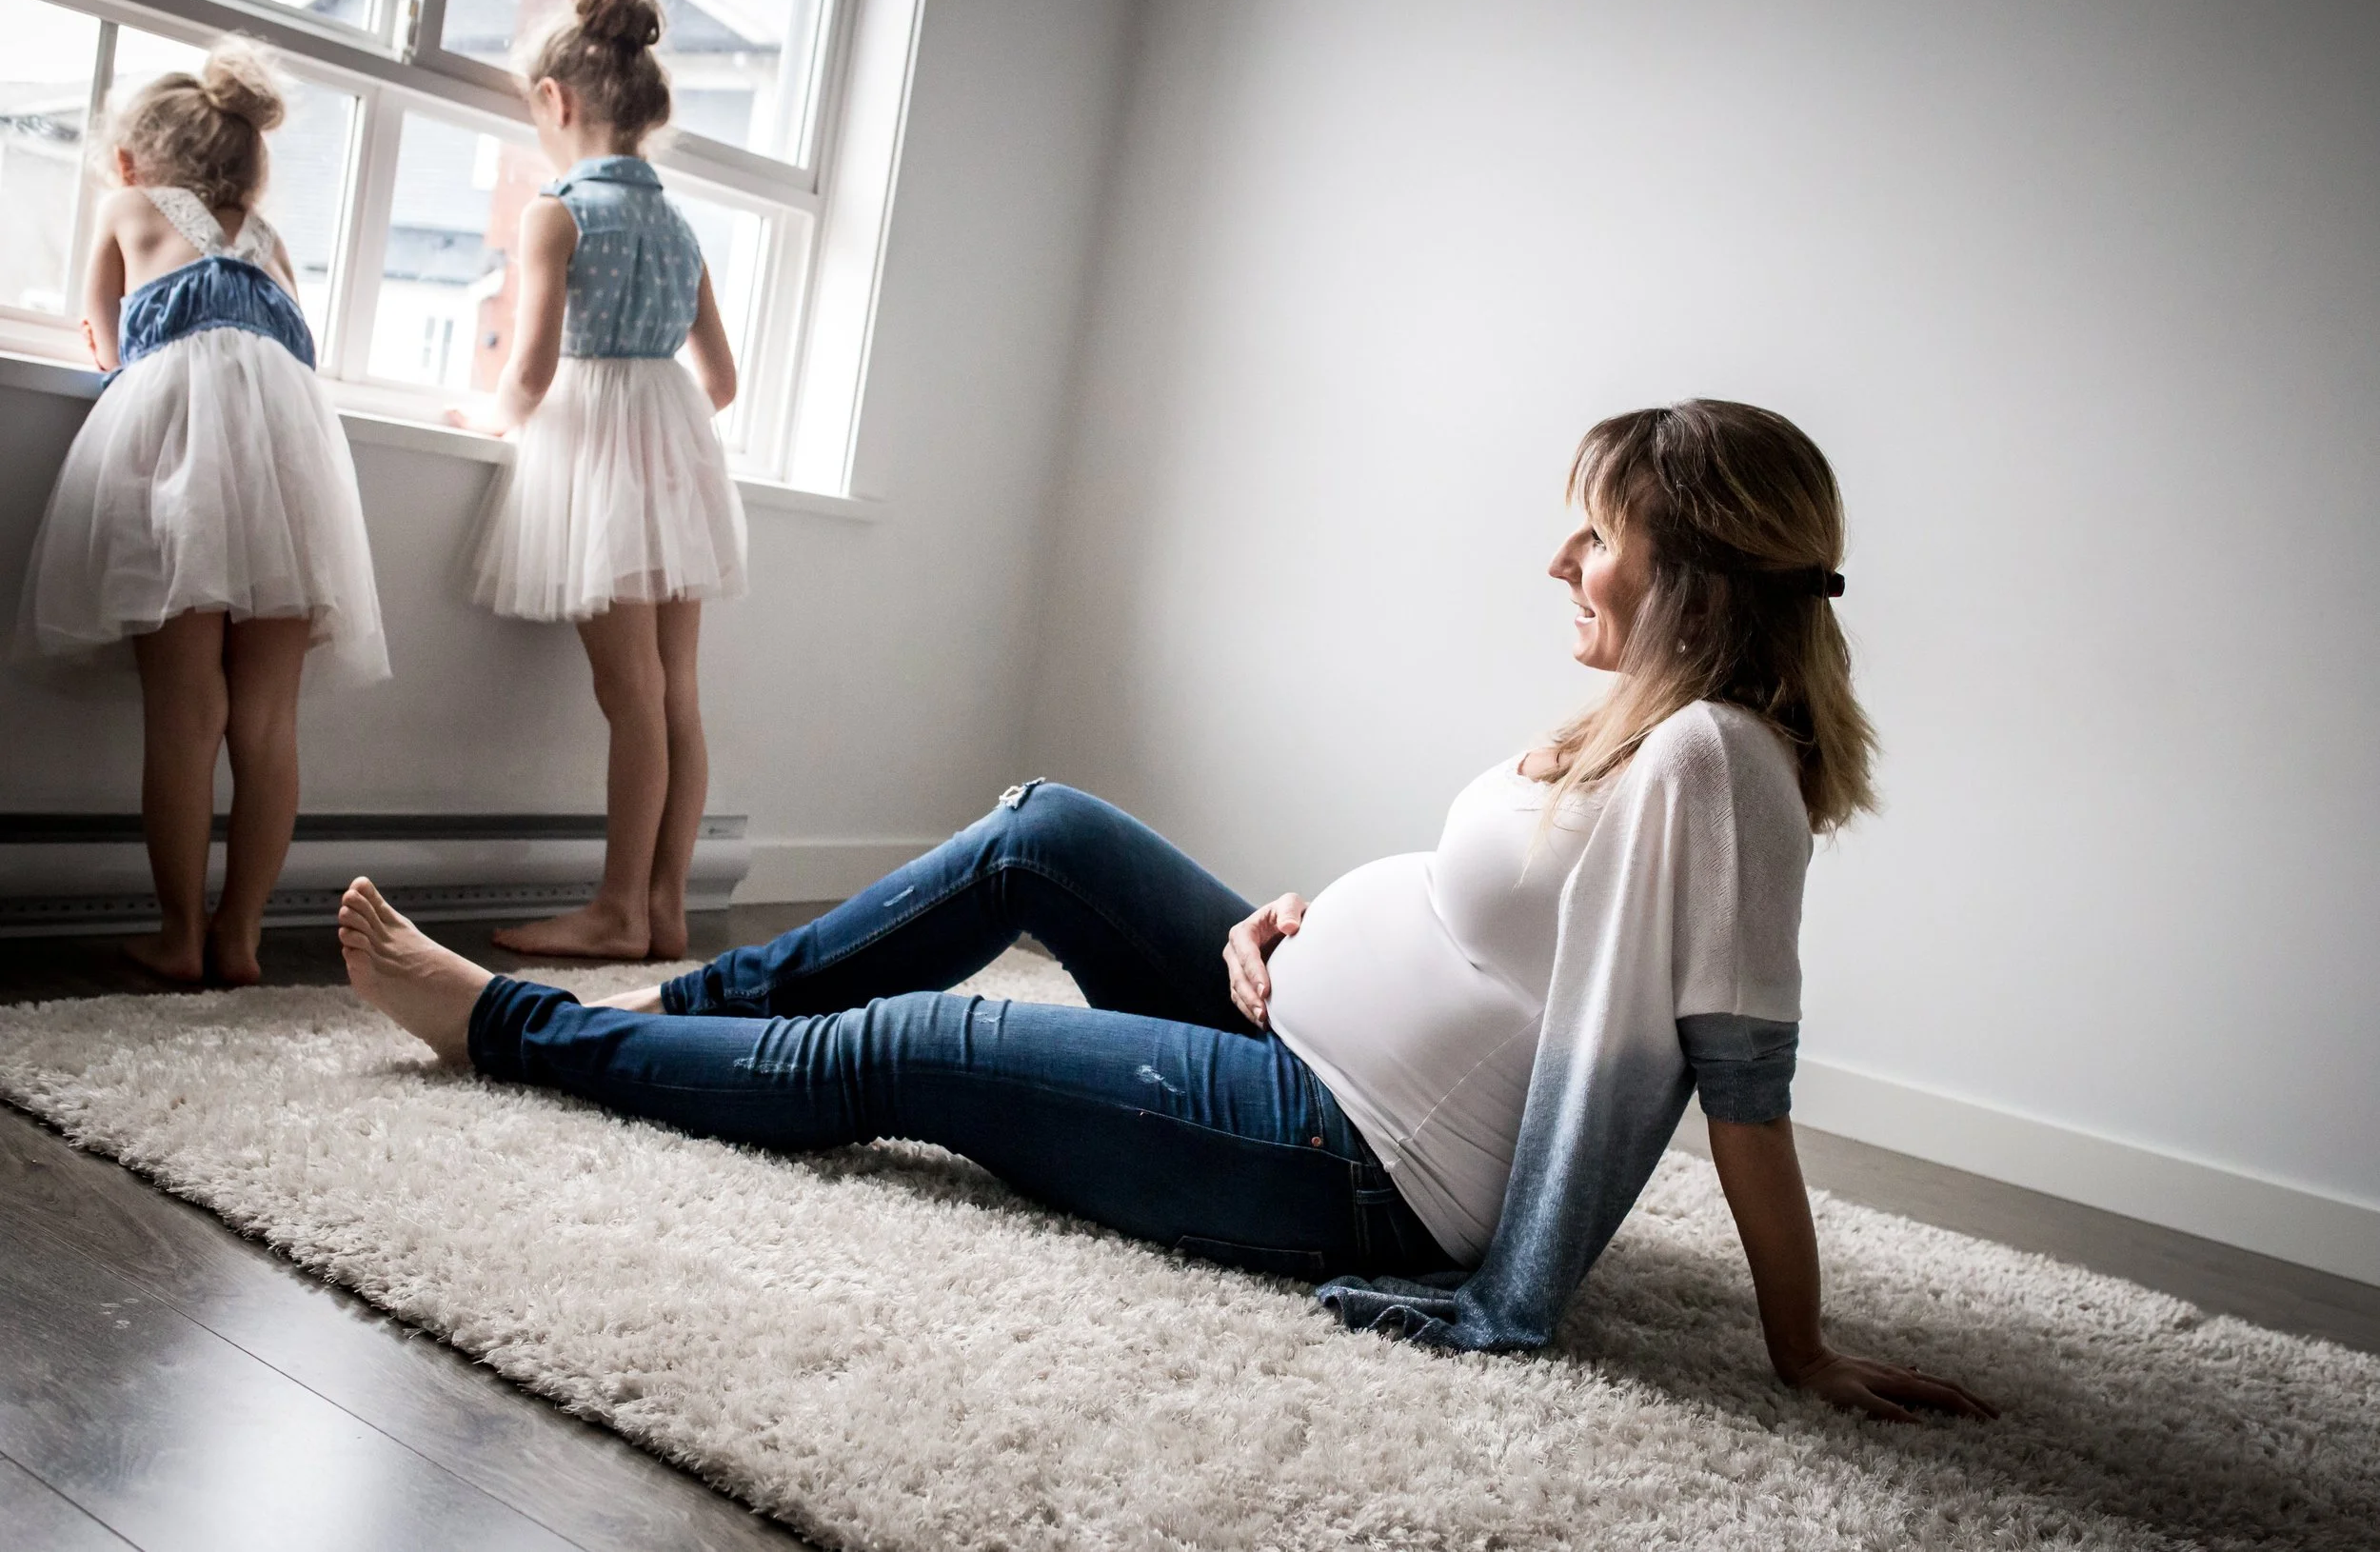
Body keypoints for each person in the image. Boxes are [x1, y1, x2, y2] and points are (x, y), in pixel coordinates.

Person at [342, 400, 1995, 1421]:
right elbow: (1502, 931)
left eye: (1603, 532)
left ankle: (519, 1028)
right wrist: (1300, 929)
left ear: (1692, 567)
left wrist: (1803, 1341)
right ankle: (683, 1020)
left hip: (1357, 1160)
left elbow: (1742, 1078)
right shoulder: (1645, 721)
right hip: (1292, 1025)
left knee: (921, 1049)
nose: (1565, 557)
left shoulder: (1718, 757)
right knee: (1040, 831)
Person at [14, 38, 388, 985]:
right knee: (266, 721)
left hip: (183, 457)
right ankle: (242, 936)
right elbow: (288, 351)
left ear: (133, 161)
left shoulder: (125, 205)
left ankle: (180, 934)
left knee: (185, 713)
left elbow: (104, 338)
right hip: (289, 466)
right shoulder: (269, 243)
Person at [450, 0, 746, 962]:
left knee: (630, 698)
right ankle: (666, 906)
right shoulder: (679, 226)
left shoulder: (557, 212)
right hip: (675, 447)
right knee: (676, 695)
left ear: (554, 100)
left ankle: (618, 907)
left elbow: (530, 369)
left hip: (598, 452)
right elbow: (723, 379)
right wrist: (661, 432)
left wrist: (495, 415)